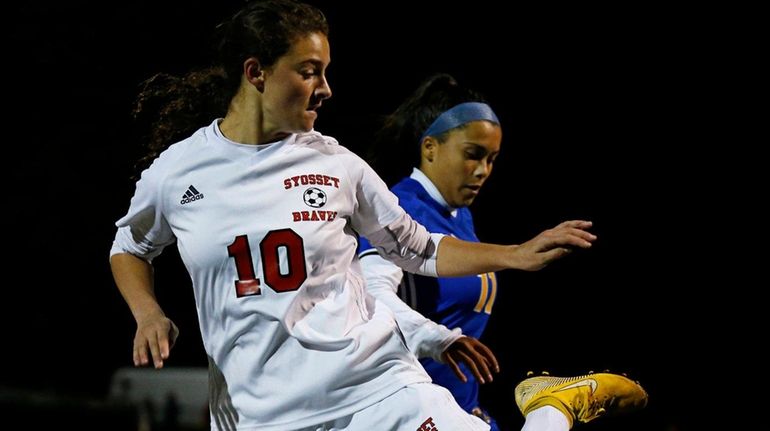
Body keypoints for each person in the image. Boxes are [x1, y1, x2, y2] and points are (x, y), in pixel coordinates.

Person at [109, 1, 642, 430]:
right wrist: (148, 312)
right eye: (309, 72)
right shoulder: (178, 171)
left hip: (375, 388)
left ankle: (554, 406)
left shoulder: (335, 163)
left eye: (326, 72)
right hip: (261, 414)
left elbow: (416, 248)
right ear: (256, 73)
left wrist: (516, 255)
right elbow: (129, 247)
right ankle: (552, 411)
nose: (326, 88)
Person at [357, 73, 648, 431]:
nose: (483, 171)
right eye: (472, 155)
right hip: (405, 402)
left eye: (491, 159)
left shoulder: (459, 215)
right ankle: (555, 406)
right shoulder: (398, 207)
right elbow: (371, 296)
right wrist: (435, 337)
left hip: (460, 405)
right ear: (430, 147)